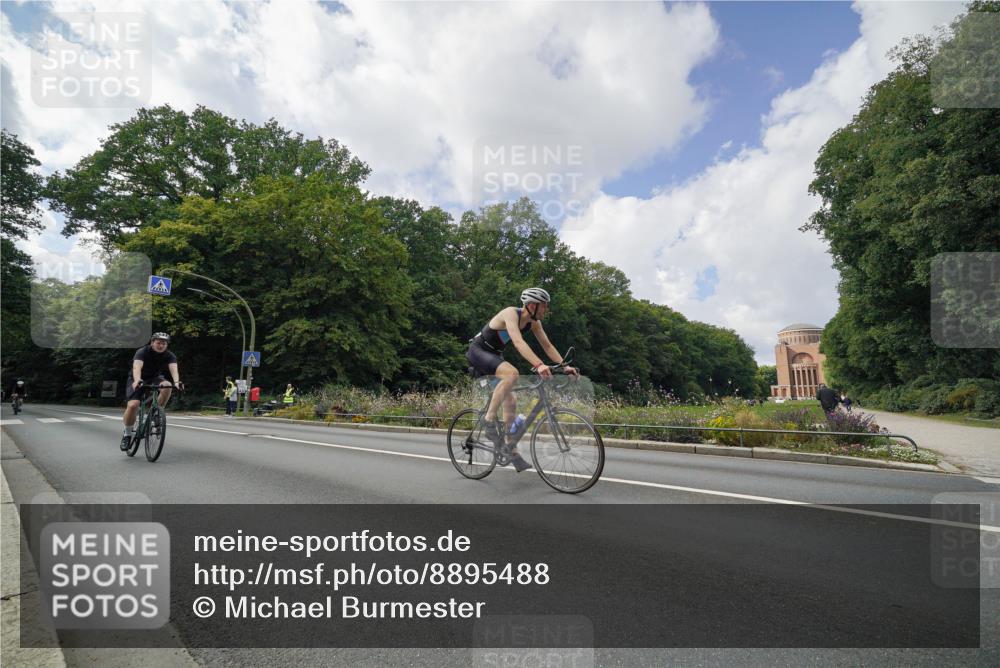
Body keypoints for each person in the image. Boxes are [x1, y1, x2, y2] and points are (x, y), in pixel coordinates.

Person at [466, 287, 578, 472]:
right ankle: (488, 421)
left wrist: (565, 366)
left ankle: (512, 451)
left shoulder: (534, 323)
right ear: (532, 305)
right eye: (544, 306)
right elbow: (518, 342)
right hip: (478, 352)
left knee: (511, 399)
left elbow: (548, 346)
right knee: (512, 374)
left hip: (494, 355)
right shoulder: (510, 313)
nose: (546, 310)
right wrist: (539, 364)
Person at [121, 333, 184, 450]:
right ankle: (127, 435)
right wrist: (137, 380)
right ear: (152, 342)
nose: (161, 345)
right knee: (133, 405)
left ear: (167, 345)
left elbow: (174, 370)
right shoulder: (142, 351)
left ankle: (156, 413)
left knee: (167, 385)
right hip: (137, 379)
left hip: (154, 378)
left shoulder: (169, 355)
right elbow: (137, 367)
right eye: (158, 342)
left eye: (164, 343)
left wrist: (177, 382)